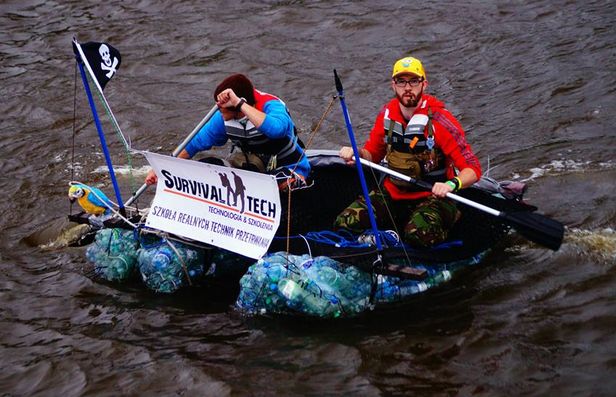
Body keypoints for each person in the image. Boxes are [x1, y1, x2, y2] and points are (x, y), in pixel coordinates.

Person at [334, 56, 482, 247]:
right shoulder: (386, 116)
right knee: (345, 222)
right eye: (401, 81)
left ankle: (447, 224)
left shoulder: (440, 121)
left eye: (413, 81)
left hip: (432, 196)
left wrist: (452, 184)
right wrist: (357, 154)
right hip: (393, 191)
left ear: (424, 84)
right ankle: (384, 237)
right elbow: (373, 154)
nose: (407, 87)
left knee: (418, 235)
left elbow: (473, 168)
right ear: (393, 85)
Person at [145, 73, 310, 190]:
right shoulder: (222, 117)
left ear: (238, 105)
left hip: (290, 168)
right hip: (254, 168)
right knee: (206, 166)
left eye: (223, 108)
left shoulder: (272, 106)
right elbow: (193, 145)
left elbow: (277, 130)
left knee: (279, 185)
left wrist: (239, 103)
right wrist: (162, 167)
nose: (219, 111)